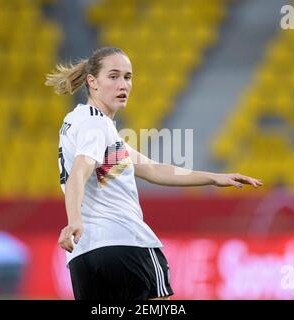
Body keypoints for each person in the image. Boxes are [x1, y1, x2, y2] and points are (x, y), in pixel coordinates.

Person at [45, 47, 263, 300]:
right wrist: (74, 220)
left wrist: (214, 177)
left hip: (84, 257)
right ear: (92, 82)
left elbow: (151, 169)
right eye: (113, 76)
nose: (123, 84)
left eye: (127, 77)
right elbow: (79, 173)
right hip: (126, 243)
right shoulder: (97, 125)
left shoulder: (79, 122)